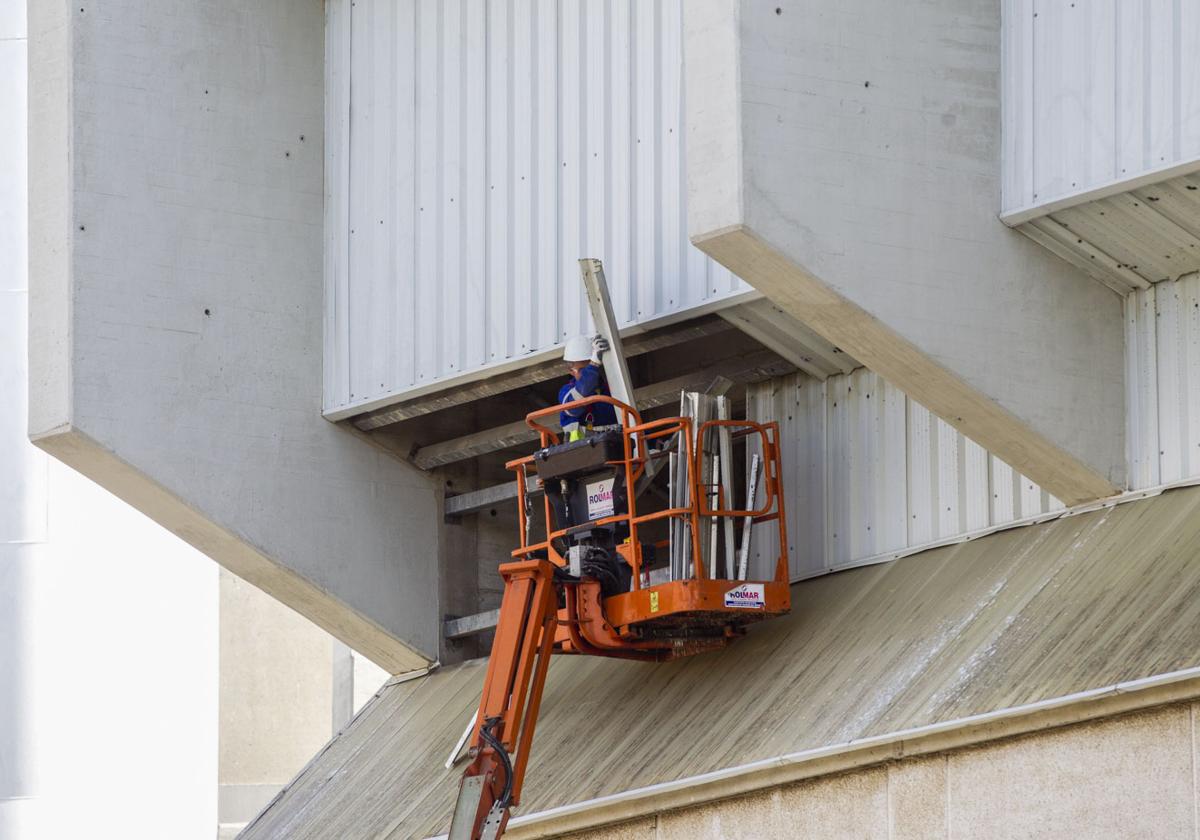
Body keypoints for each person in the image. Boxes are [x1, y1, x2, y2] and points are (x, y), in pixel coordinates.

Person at [559, 334, 618, 441]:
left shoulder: (611, 390)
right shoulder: (566, 392)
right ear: (571, 371)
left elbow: (630, 420)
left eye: (590, 367)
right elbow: (583, 390)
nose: (588, 372)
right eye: (583, 369)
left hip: (615, 450)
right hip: (583, 453)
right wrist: (593, 364)